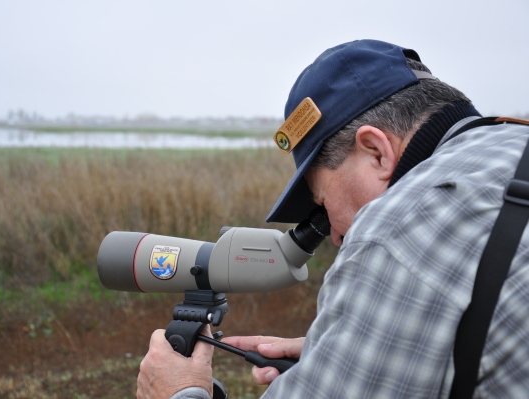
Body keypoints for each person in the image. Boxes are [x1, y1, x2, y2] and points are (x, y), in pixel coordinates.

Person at [137, 39, 529, 398]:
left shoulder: (394, 234)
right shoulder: (513, 145)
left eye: (322, 203)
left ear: (376, 151)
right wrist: (363, 349)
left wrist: (179, 393)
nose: (336, 236)